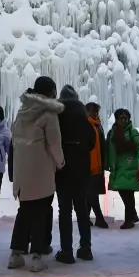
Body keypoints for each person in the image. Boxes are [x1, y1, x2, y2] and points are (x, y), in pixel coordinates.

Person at [8, 76, 65, 272]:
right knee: (42, 212)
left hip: (23, 173)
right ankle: (36, 256)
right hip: (41, 172)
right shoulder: (49, 114)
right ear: (50, 92)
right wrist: (61, 163)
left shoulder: (22, 111)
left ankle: (16, 254)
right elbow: (54, 143)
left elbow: (14, 140)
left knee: (24, 212)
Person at [55, 86, 96, 262]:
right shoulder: (83, 118)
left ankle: (66, 251)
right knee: (82, 210)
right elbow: (92, 143)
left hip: (62, 169)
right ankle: (86, 248)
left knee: (64, 210)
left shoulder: (57, 117)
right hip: (81, 170)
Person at [106, 108, 139, 230]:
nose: (123, 120)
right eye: (120, 118)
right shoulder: (112, 133)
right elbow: (109, 149)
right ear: (116, 120)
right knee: (124, 193)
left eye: (125, 118)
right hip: (118, 168)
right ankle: (133, 215)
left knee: (128, 194)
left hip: (130, 167)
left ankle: (129, 220)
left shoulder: (133, 132)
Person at [85, 102, 109, 229]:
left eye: (96, 111)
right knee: (91, 193)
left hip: (98, 164)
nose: (95, 113)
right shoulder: (86, 125)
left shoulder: (97, 125)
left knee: (91, 193)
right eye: (93, 111)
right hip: (90, 164)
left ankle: (85, 218)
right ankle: (99, 218)